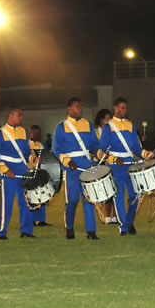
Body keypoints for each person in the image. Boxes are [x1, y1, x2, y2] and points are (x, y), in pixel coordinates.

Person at [99, 97, 155, 236]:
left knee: (134, 196)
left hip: (130, 163)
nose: (125, 111)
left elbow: (135, 146)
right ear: (116, 108)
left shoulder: (131, 125)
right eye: (122, 108)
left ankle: (129, 222)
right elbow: (102, 148)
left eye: (126, 108)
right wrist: (113, 158)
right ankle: (123, 226)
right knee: (118, 196)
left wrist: (146, 153)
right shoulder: (108, 126)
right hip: (116, 165)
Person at [53, 97, 100, 240]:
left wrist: (99, 153)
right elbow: (56, 148)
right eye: (77, 107)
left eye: (81, 107)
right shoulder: (61, 127)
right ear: (69, 109)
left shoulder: (88, 125)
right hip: (71, 169)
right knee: (72, 200)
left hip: (87, 166)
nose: (80, 109)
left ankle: (91, 232)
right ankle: (69, 227)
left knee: (89, 199)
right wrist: (68, 161)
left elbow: (94, 144)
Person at [0, 107, 37, 239]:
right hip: (8, 171)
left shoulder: (23, 131)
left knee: (26, 201)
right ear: (10, 116)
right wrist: (5, 170)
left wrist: (33, 158)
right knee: (6, 202)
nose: (21, 118)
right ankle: (1, 232)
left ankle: (26, 231)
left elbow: (26, 152)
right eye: (18, 116)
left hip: (21, 169)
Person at [94, 108, 117, 224]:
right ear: (101, 120)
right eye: (106, 119)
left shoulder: (112, 131)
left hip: (111, 162)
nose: (109, 122)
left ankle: (115, 215)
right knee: (106, 191)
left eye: (110, 119)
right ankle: (108, 215)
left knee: (114, 190)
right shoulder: (95, 132)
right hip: (99, 164)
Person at [28, 125, 51, 226]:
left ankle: (41, 220)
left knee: (43, 195)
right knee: (31, 196)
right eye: (36, 134)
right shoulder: (27, 145)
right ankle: (31, 220)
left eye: (39, 134)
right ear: (31, 133)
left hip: (41, 173)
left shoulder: (42, 145)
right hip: (31, 172)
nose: (38, 136)